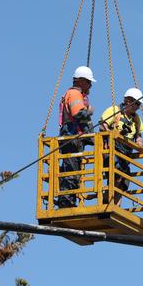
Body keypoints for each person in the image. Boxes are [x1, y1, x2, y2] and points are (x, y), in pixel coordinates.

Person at [57, 66, 96, 208]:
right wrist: (89, 111)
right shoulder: (74, 94)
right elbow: (79, 114)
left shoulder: (78, 95)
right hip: (71, 138)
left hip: (74, 137)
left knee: (74, 170)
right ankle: (66, 202)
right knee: (71, 170)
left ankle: (68, 201)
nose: (90, 85)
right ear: (80, 81)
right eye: (88, 82)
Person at [100, 87, 143, 205]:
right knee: (116, 176)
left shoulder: (136, 118)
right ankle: (106, 202)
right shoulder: (115, 110)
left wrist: (139, 143)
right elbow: (102, 125)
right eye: (136, 104)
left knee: (124, 180)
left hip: (125, 154)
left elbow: (138, 135)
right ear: (128, 101)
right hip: (111, 149)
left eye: (139, 105)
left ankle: (116, 206)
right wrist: (113, 133)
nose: (137, 107)